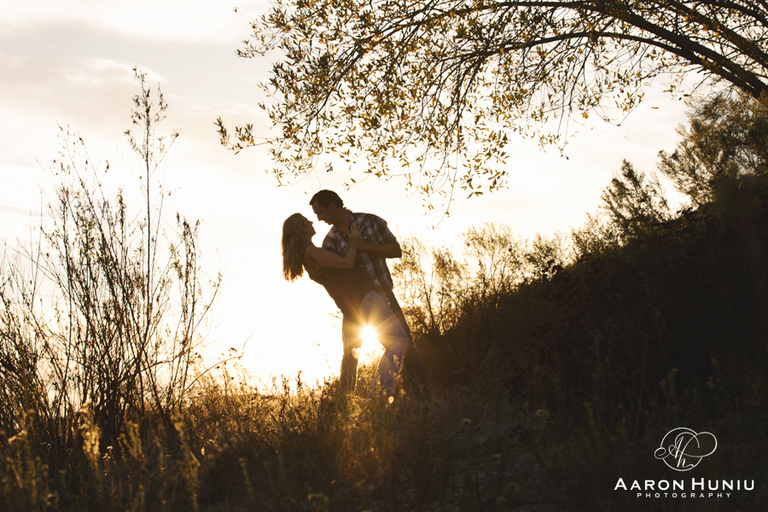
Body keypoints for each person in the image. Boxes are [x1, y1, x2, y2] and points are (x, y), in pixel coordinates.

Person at [309, 190, 429, 397]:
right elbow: (334, 274)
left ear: (332, 206)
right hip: (354, 306)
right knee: (350, 354)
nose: (319, 218)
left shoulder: (370, 222)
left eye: (320, 212)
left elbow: (395, 250)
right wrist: (316, 275)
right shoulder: (329, 242)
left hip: (384, 296)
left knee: (405, 346)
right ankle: (347, 401)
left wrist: (363, 246)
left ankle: (423, 398)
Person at [281, 213, 410, 396]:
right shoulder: (311, 252)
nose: (311, 221)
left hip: (353, 304)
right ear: (301, 228)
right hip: (363, 297)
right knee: (400, 340)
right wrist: (354, 241)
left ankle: (366, 394)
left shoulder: (311, 254)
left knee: (373, 348)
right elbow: (348, 262)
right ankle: (380, 393)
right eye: (305, 221)